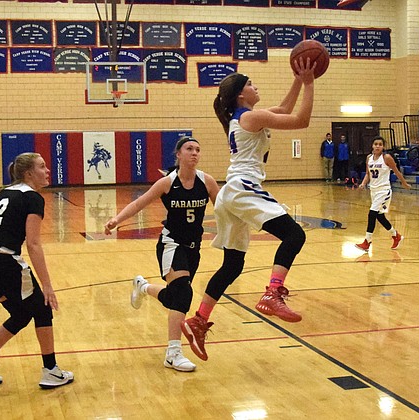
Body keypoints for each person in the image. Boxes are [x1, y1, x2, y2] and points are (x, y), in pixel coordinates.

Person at [180, 59, 316, 361]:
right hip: (243, 187)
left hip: (231, 192)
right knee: (294, 236)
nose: (257, 87)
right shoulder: (250, 118)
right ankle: (273, 292)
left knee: (232, 266)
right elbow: (301, 120)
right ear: (242, 94)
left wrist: (297, 79)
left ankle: (199, 320)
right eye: (251, 84)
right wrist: (309, 83)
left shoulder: (245, 116)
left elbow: (282, 109)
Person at [103, 136, 219, 371]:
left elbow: (223, 209)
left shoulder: (207, 182)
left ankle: (143, 286)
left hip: (194, 247)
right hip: (171, 244)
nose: (194, 153)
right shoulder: (167, 182)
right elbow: (139, 203)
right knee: (184, 293)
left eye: (198, 149)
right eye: (189, 149)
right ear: (178, 154)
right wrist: (116, 219)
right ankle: (173, 353)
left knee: (175, 297)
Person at [0, 152, 74, 389]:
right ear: (28, 173)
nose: (47, 171)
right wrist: (46, 285)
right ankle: (51, 370)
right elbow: (33, 244)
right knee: (43, 307)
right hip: (3, 261)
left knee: (22, 313)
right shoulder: (33, 198)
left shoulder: (2, 193)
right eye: (42, 167)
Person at [355, 136, 411, 252]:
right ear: (372, 145)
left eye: (380, 144)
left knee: (372, 213)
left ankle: (367, 241)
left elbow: (396, 171)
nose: (377, 146)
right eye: (376, 144)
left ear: (383, 147)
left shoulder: (387, 158)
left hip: (384, 190)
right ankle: (396, 235)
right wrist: (363, 183)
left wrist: (404, 183)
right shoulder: (369, 158)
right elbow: (367, 173)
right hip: (373, 190)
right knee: (379, 216)